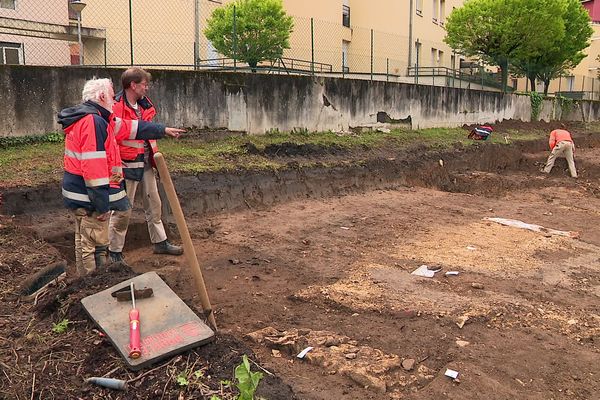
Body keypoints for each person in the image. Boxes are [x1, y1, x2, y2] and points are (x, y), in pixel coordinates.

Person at [57, 78, 184, 277]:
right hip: (88, 195)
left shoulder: (94, 118)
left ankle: (85, 285)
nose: (114, 101)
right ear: (101, 96)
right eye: (110, 94)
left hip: (79, 192)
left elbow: (130, 128)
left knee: (84, 241)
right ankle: (93, 287)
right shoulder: (94, 122)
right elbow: (94, 168)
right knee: (94, 244)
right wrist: (102, 205)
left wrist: (162, 130)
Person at [109, 68, 183, 264]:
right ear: (133, 85)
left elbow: (145, 131)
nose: (147, 88)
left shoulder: (144, 106)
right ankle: (114, 252)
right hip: (126, 165)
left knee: (154, 204)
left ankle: (160, 242)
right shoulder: (116, 107)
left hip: (146, 163)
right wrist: (163, 129)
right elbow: (121, 134)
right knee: (122, 210)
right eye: (144, 84)